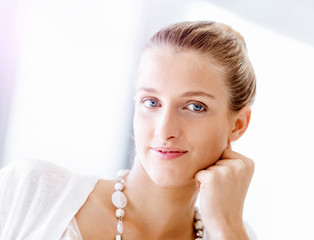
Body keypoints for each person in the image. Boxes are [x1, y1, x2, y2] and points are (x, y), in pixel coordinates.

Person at [0, 21, 256, 239]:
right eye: (152, 102)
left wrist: (227, 228)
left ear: (238, 124)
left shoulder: (233, 233)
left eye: (194, 107)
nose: (164, 130)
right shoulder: (31, 190)